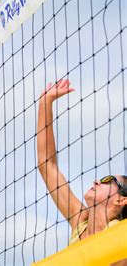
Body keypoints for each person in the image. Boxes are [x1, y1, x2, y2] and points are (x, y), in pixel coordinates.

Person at [37, 79, 127, 246]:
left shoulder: (121, 236)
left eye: (107, 179)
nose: (97, 181)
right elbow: (47, 165)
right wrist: (45, 102)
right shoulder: (80, 222)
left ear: (121, 200)